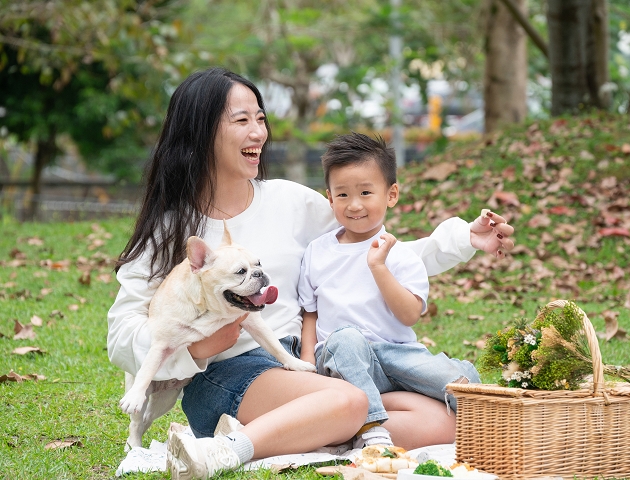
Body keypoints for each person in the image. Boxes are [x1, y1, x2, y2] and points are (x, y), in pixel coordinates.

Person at [107, 67, 515, 479]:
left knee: (445, 421)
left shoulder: (293, 202)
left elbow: (374, 260)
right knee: (353, 402)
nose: (258, 133)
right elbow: (121, 333)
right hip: (227, 374)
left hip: (308, 363)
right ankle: (224, 451)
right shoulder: (171, 230)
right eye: (241, 120)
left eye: (261, 118)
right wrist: (195, 348)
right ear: (201, 133)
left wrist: (464, 239)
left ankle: (289, 432)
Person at [298, 132, 480, 450]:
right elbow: (310, 313)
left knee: (460, 384)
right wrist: (306, 365)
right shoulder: (318, 251)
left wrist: (379, 267)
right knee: (347, 337)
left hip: (395, 354)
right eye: (342, 195)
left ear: (391, 194)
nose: (354, 205)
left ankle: (472, 391)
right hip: (342, 357)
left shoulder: (401, 255)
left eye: (366, 192)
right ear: (329, 198)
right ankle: (371, 428)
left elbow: (410, 315)